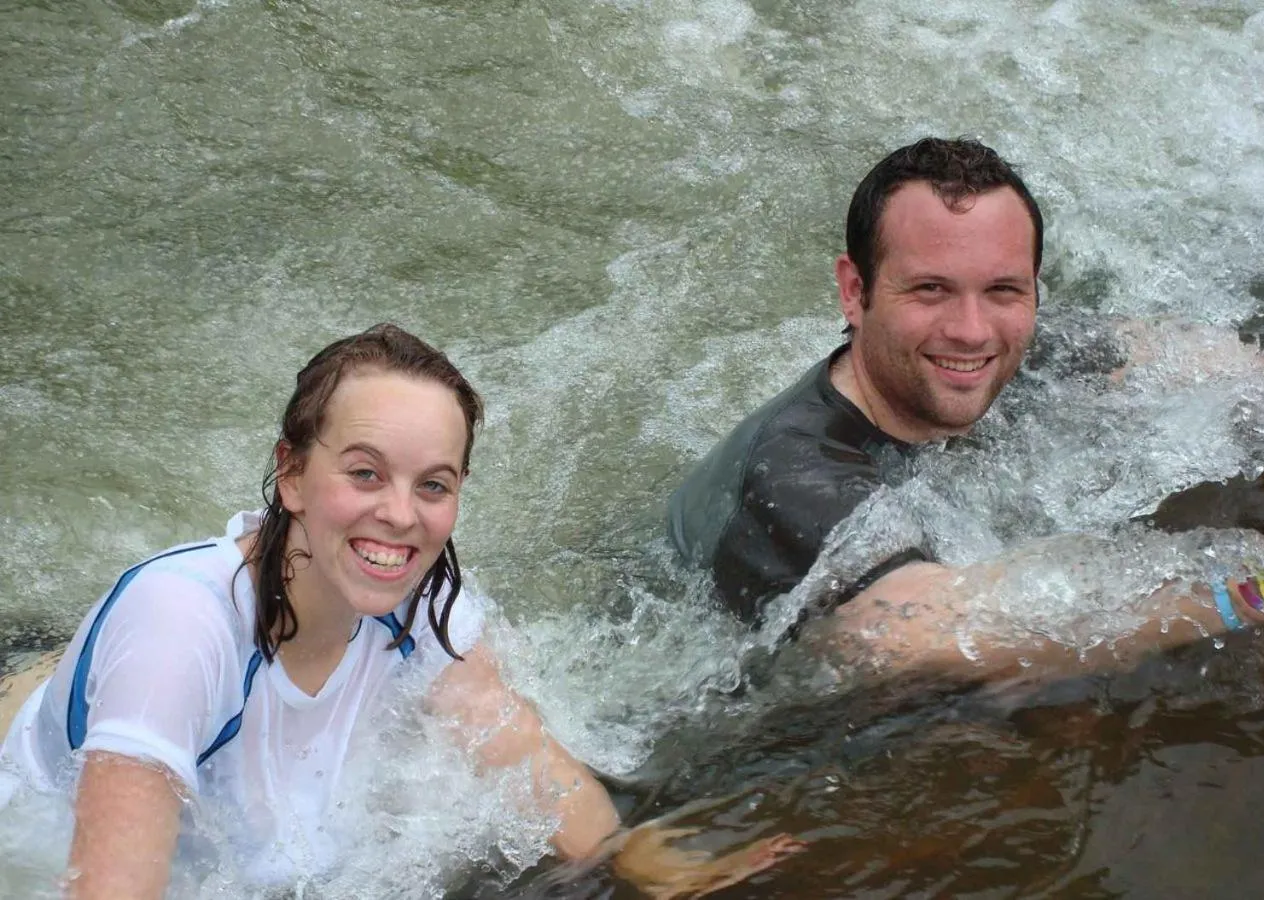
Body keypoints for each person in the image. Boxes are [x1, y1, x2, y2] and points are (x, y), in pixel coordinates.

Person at [0, 324, 801, 899]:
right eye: (364, 473)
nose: (400, 516)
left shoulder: (422, 601)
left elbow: (509, 739)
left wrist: (628, 858)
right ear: (290, 474)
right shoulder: (182, 628)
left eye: (433, 485)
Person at [667, 137, 1264, 679]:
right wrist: (1257, 597)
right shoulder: (796, 475)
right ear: (856, 292)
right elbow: (936, 635)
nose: (971, 330)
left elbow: (1220, 367)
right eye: (931, 289)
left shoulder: (1020, 348)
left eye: (1003, 290)